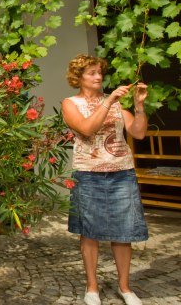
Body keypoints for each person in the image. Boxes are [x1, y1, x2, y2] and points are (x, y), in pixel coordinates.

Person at [61, 54, 149, 305]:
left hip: (122, 173)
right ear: (78, 77)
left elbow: (139, 133)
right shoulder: (70, 103)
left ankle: (125, 287)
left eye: (100, 72)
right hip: (88, 174)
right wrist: (110, 100)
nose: (99, 76)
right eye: (92, 73)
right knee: (90, 232)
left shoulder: (119, 105)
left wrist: (139, 106)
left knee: (123, 233)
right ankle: (92, 288)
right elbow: (87, 128)